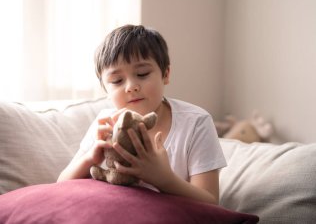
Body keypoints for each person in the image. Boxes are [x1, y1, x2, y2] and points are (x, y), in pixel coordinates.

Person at [57, 24, 226, 205]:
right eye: (117, 80)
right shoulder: (105, 123)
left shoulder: (195, 123)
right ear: (105, 88)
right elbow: (61, 184)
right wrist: (91, 157)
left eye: (142, 74)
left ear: (165, 74)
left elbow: (211, 202)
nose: (131, 86)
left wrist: (164, 179)